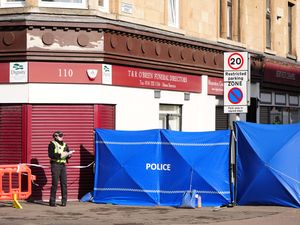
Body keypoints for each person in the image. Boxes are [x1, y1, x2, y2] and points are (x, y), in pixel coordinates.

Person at [48, 131, 74, 207]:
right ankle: (52, 202)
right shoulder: (52, 144)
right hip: (55, 165)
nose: (62, 137)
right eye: (60, 135)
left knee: (64, 184)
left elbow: (67, 154)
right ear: (55, 136)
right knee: (55, 184)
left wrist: (69, 155)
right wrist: (60, 155)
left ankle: (64, 201)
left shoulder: (65, 144)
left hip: (63, 165)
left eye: (62, 135)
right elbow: (50, 155)